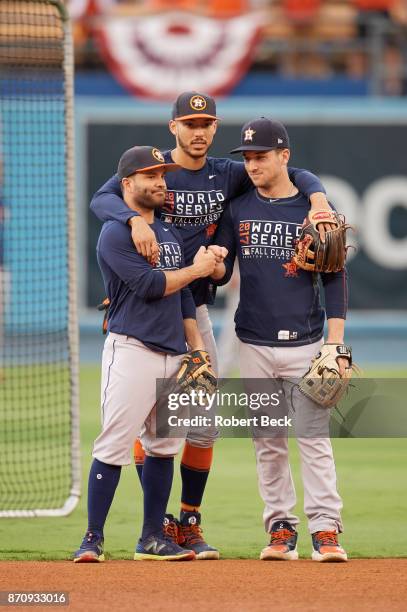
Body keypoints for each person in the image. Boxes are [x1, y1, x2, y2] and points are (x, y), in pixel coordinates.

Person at [90, 91, 332, 558]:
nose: (198, 131)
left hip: (194, 308)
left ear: (215, 128)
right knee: (152, 424)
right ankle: (156, 524)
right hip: (150, 308)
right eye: (189, 122)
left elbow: (293, 172)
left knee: (199, 424)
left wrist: (318, 197)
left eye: (206, 123)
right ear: (173, 127)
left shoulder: (230, 172)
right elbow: (105, 196)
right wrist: (134, 222)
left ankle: (188, 520)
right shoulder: (158, 169)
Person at [211, 117, 349, 562]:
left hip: (307, 343)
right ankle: (280, 527)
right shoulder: (238, 208)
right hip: (252, 341)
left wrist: (335, 342)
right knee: (267, 441)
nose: (252, 164)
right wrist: (211, 263)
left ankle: (326, 529)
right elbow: (223, 270)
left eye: (261, 156)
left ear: (283, 156)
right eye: (247, 157)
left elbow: (334, 278)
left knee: (313, 439)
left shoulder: (313, 211)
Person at [74, 145, 221, 562]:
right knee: (114, 444)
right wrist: (198, 267)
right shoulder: (116, 233)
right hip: (132, 348)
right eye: (150, 175)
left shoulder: (170, 233)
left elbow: (186, 300)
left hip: (175, 352)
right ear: (127, 184)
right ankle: (92, 538)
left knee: (163, 446)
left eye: (162, 174)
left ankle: (152, 538)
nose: (160, 181)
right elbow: (152, 286)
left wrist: (197, 349)